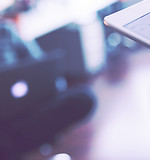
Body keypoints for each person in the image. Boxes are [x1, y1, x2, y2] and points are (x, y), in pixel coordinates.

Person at [0, 18, 96, 159]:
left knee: (85, 97)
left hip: (29, 107)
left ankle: (14, 145)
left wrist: (50, 85)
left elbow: (41, 66)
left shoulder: (6, 31)